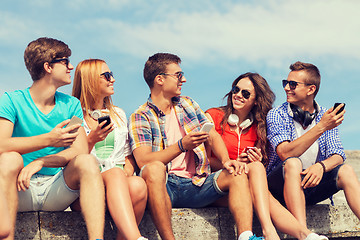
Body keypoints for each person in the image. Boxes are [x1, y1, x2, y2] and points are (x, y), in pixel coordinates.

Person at [129, 53, 263, 240]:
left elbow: (213, 135)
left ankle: (246, 236)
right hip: (165, 186)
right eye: (178, 74)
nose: (183, 79)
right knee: (154, 169)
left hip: (197, 182)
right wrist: (181, 146)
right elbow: (143, 160)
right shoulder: (140, 115)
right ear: (160, 79)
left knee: (237, 173)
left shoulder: (188, 104)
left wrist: (226, 161)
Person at [0, 37, 105, 240]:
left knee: (87, 161)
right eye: (65, 61)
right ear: (48, 66)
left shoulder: (71, 104)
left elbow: (80, 150)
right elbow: (1, 144)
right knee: (9, 158)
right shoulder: (11, 101)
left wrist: (41, 161)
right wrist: (49, 139)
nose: (71, 67)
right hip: (19, 189)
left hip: (56, 189)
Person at [206, 72, 328, 240]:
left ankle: (303, 235)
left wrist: (255, 160)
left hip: (243, 187)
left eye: (245, 93)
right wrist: (233, 163)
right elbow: (202, 160)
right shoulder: (214, 116)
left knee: (257, 172)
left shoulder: (259, 128)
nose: (238, 95)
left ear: (256, 100)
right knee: (260, 190)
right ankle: (273, 232)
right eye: (236, 89)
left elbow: (265, 167)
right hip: (216, 185)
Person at [266, 61, 360, 229]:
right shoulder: (276, 114)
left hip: (309, 184)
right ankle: (304, 234)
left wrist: (321, 167)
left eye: (293, 84)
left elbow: (338, 154)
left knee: (346, 170)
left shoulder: (325, 115)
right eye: (285, 83)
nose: (287, 88)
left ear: (311, 89)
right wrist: (321, 126)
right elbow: (285, 153)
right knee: (293, 163)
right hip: (279, 188)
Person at [72, 59, 148, 240]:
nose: (112, 79)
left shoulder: (119, 114)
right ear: (90, 79)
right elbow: (71, 158)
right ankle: (135, 238)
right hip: (85, 188)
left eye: (111, 74)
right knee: (115, 174)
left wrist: (127, 173)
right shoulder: (74, 115)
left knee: (137, 185)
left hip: (117, 183)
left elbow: (128, 156)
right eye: (107, 76)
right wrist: (90, 140)